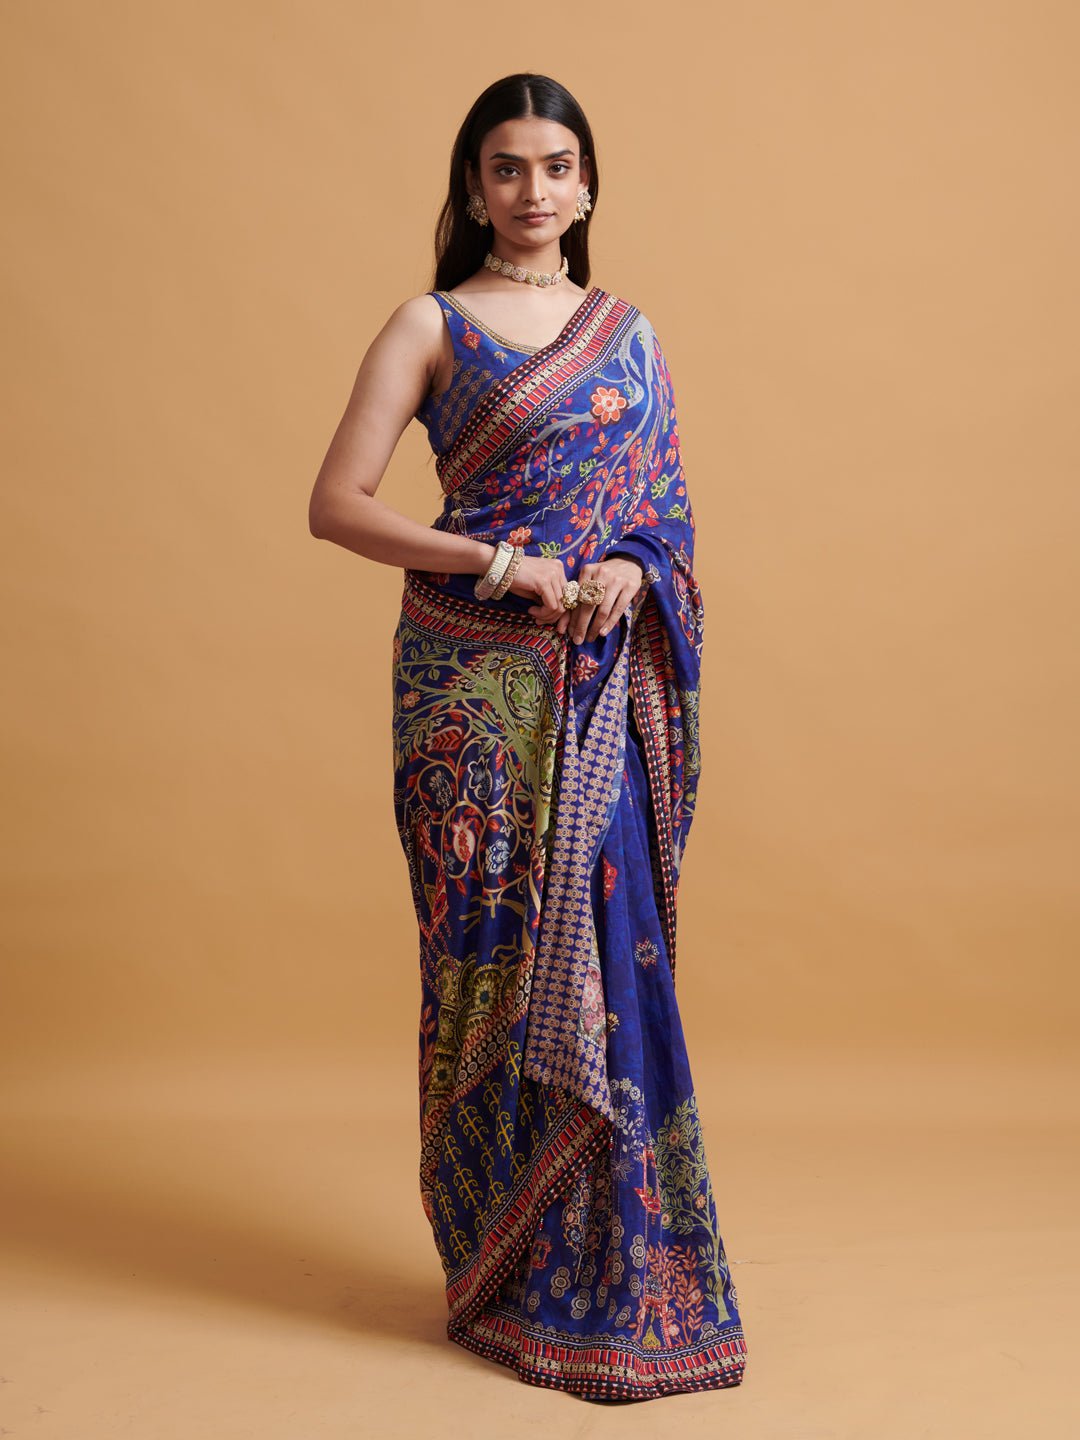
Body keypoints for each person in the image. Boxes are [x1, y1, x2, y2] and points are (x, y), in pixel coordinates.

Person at [308, 71, 748, 1402]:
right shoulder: (431, 323)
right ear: (473, 187)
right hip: (472, 689)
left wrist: (628, 567)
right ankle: (498, 1270)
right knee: (486, 962)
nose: (534, 190)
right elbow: (337, 504)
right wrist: (498, 562)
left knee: (610, 955)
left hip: (601, 685)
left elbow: (666, 515)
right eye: (508, 168)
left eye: (557, 166)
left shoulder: (630, 334)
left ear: (588, 183)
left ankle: (619, 1278)